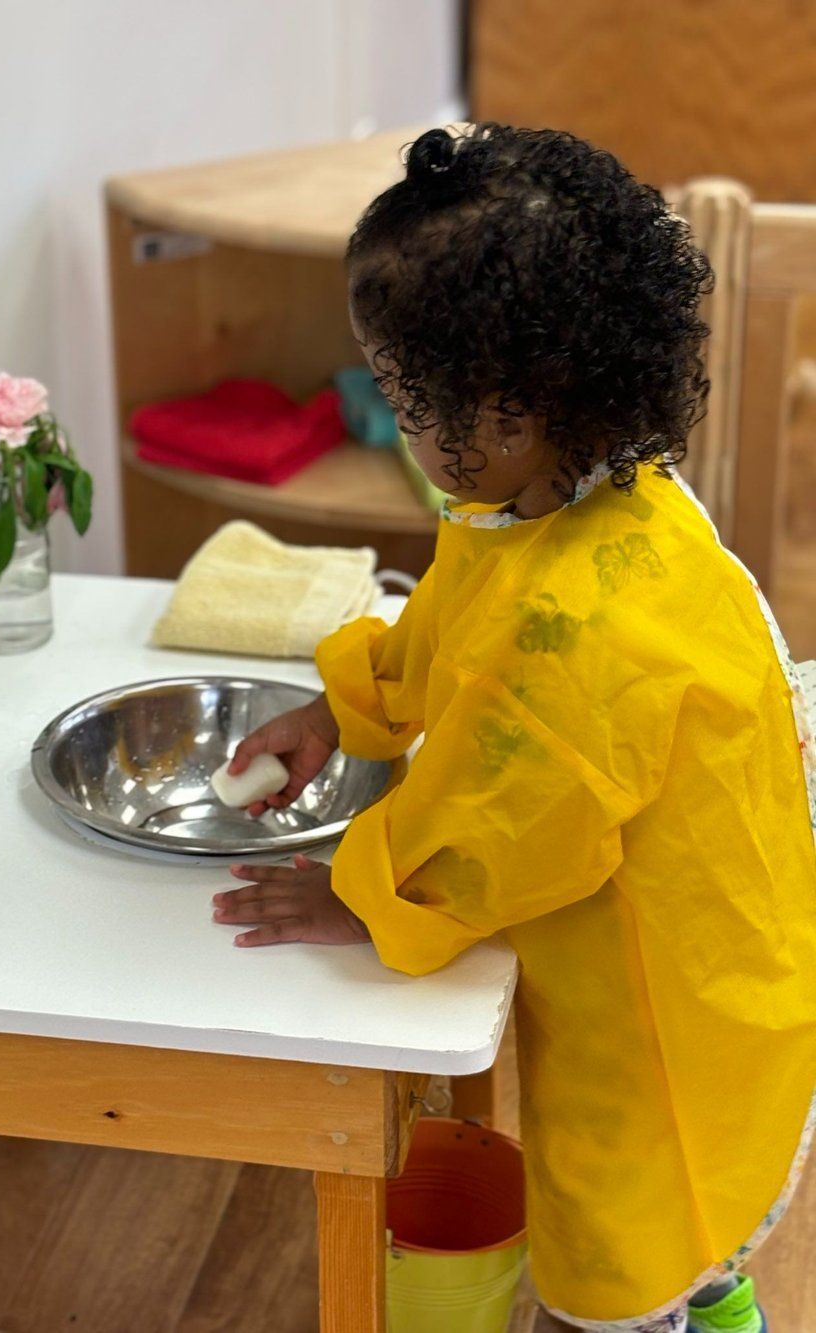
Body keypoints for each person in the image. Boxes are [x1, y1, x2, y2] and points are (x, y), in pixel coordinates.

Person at [212, 124, 816, 1332]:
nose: (393, 417)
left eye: (401, 394)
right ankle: (701, 1286)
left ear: (512, 414)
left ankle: (682, 1305)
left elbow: (502, 838)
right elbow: (455, 612)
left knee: (627, 1230)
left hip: (664, 999)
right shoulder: (562, 488)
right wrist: (351, 708)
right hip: (699, 923)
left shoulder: (587, 630)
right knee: (660, 1219)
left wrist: (365, 893)